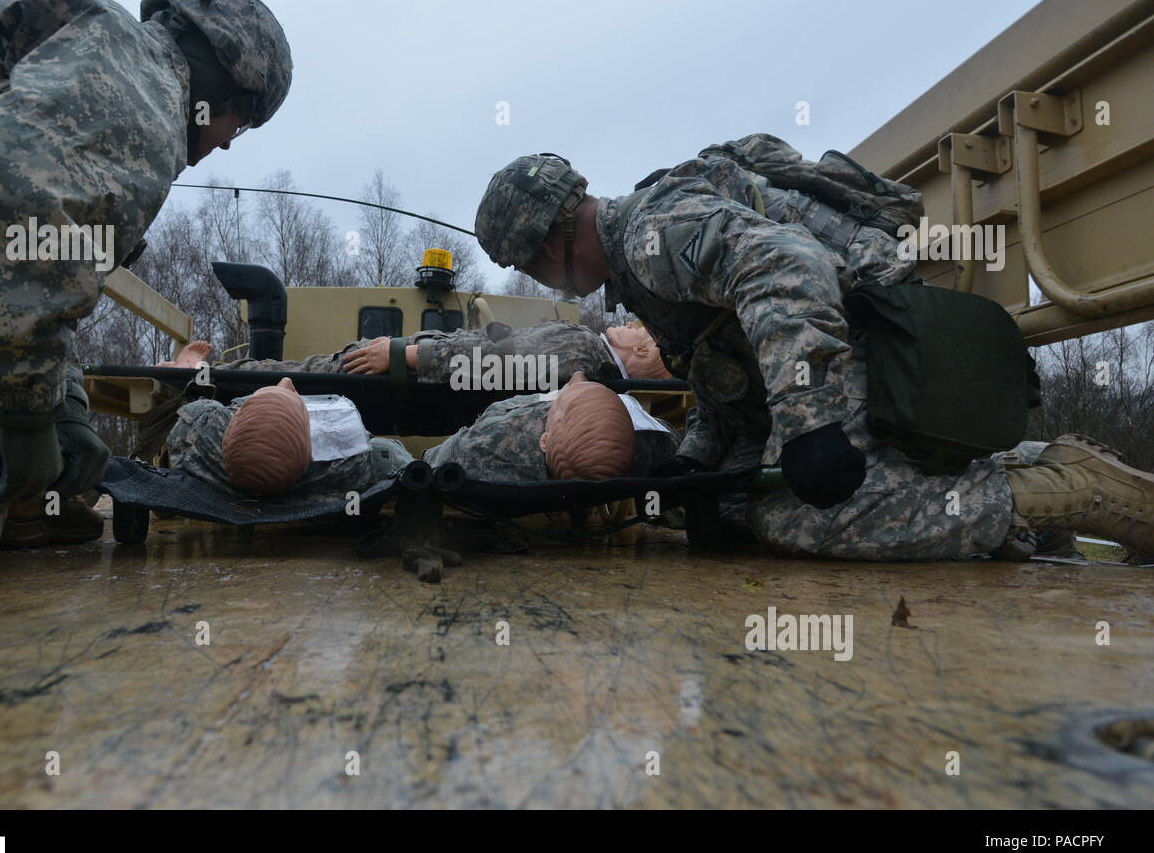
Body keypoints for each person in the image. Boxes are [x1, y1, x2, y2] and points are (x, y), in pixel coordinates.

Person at [473, 139, 1154, 560]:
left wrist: (807, 426)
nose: (540, 279)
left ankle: (1066, 492)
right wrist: (695, 459)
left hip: (857, 350)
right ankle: (1032, 481)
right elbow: (719, 362)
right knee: (736, 509)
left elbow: (787, 266)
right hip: (832, 358)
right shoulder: (634, 268)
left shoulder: (651, 232)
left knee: (800, 522)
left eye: (530, 265)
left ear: (549, 239)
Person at [0, 0, 292, 574]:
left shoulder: (99, 51)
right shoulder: (146, 92)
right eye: (238, 124)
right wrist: (30, 413)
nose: (223, 142)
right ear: (221, 82)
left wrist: (65, 402)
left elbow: (30, 268)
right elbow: (19, 212)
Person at [213, 319, 672, 384]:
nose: (628, 323)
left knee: (300, 373)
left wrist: (399, 354)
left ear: (644, 351)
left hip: (401, 373)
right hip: (419, 373)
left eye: (637, 327)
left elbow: (498, 361)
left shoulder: (583, 347)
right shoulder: (593, 368)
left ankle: (206, 373)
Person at [167, 379, 411, 499]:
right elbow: (384, 458)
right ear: (310, 449)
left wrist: (251, 405)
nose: (287, 381)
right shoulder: (349, 466)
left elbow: (196, 413)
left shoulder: (197, 435)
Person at [423, 372, 679, 483]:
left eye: (558, 402)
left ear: (544, 440)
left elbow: (429, 463)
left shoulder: (479, 448)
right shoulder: (657, 446)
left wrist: (574, 387)